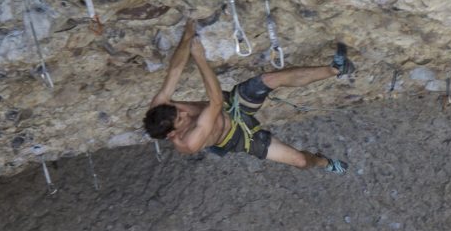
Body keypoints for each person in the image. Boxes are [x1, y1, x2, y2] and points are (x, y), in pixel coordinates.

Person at [142, 18, 353, 171]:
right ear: (171, 134)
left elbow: (175, 70)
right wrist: (200, 59)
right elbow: (214, 102)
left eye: (179, 111)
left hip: (232, 105)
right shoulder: (188, 142)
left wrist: (188, 34)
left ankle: (335, 69)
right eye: (180, 119)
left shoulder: (160, 108)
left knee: (269, 79)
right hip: (240, 136)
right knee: (299, 161)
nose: (185, 113)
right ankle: (323, 162)